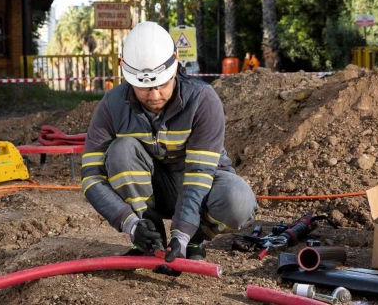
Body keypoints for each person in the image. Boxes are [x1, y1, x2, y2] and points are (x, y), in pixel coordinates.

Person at [81, 21, 258, 265]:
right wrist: (131, 224)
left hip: (201, 187)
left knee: (238, 199)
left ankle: (195, 238)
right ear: (125, 71)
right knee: (120, 150)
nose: (154, 96)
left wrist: (183, 234)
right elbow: (91, 176)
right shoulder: (112, 105)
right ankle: (148, 235)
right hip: (152, 189)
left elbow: (198, 174)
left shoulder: (202, 100)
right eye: (144, 87)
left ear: (175, 64)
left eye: (162, 84)